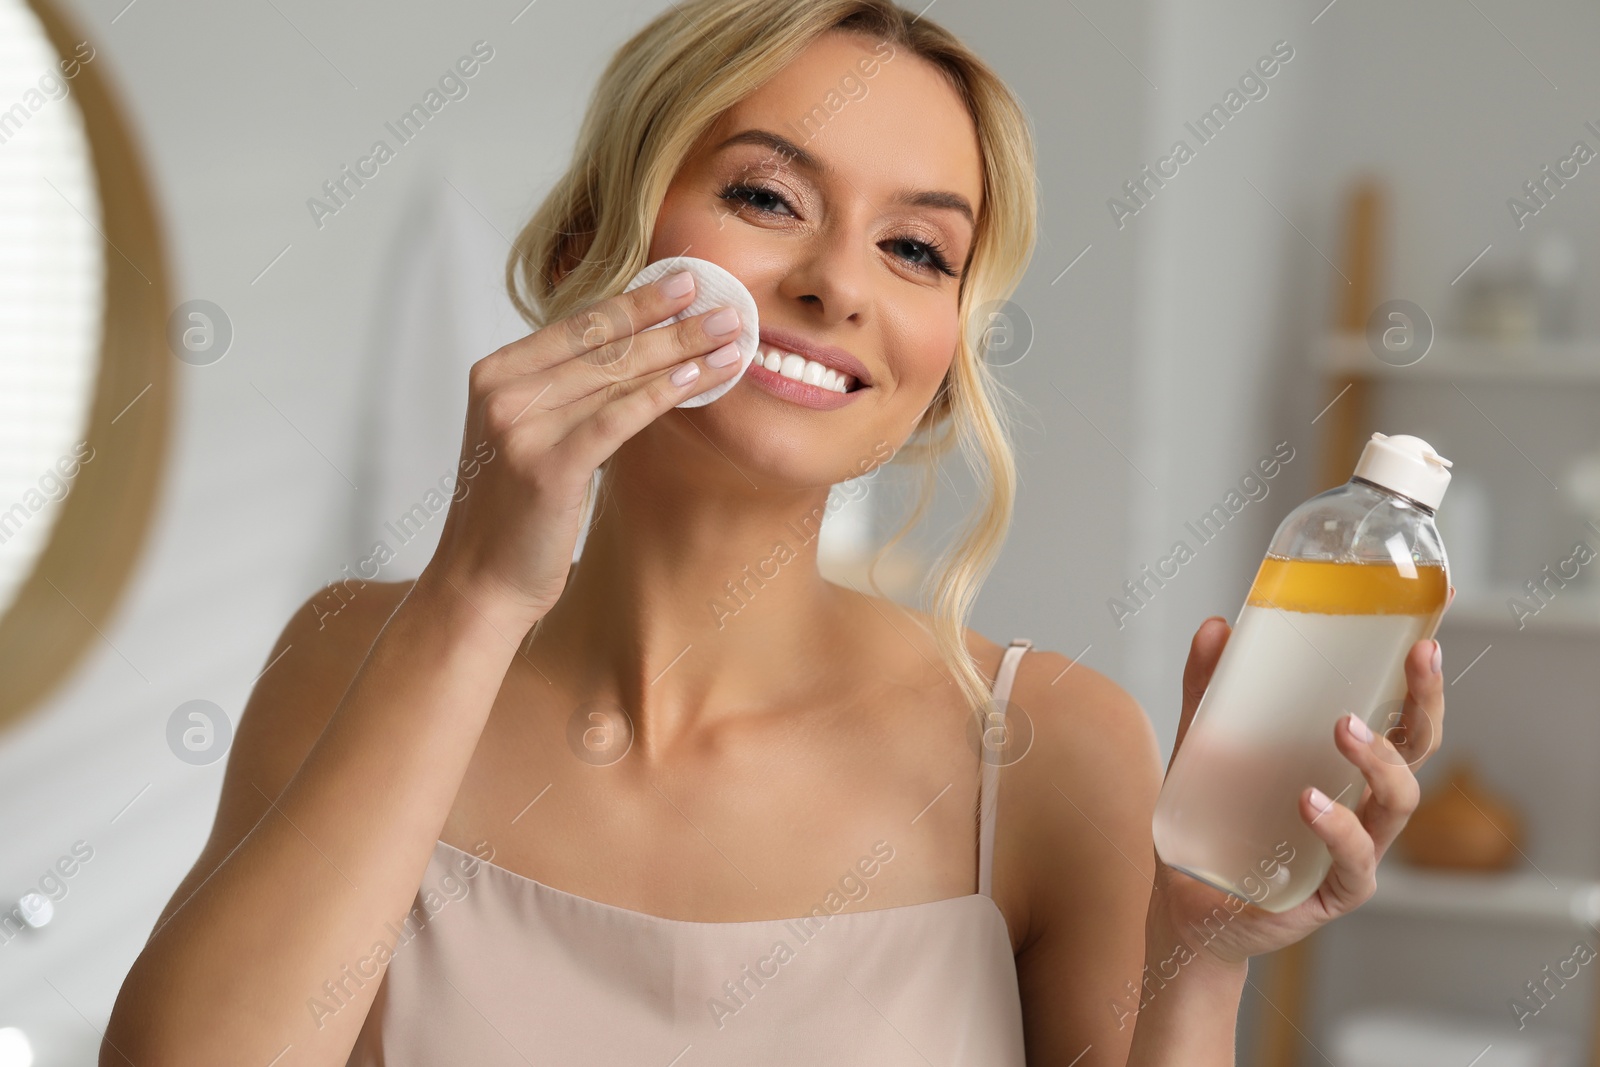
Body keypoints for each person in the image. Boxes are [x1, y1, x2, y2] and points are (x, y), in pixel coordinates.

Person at [103, 1, 1452, 1063]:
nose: (831, 285)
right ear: (596, 237)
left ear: (937, 373)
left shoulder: (1049, 755)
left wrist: (1203, 957)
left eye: (917, 251)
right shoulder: (355, 656)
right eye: (766, 196)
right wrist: (468, 596)